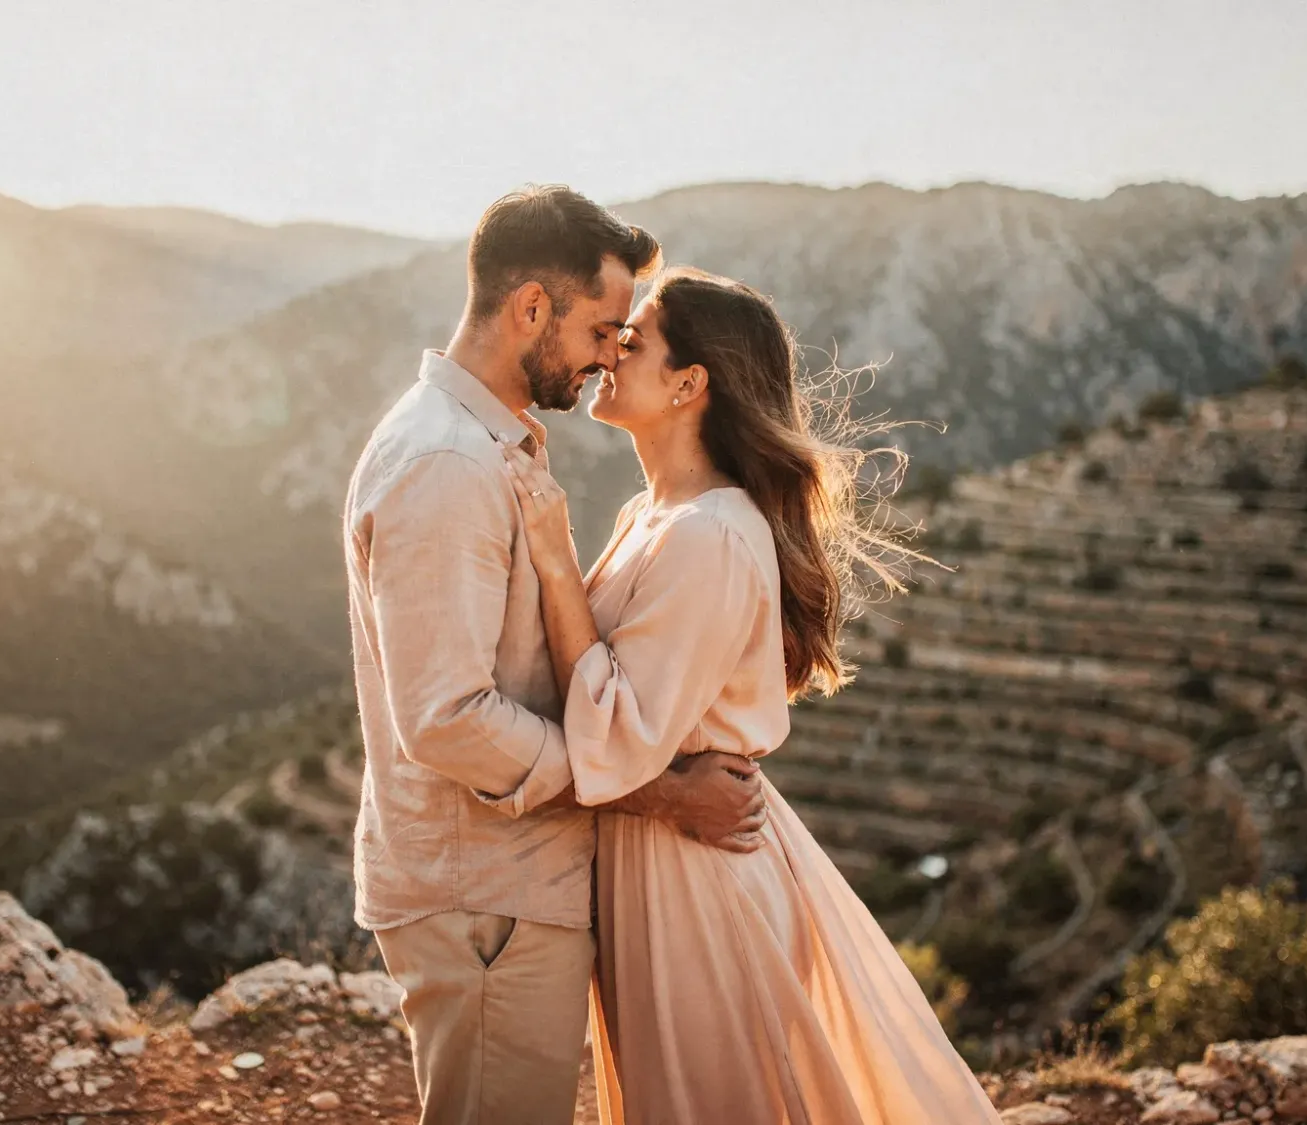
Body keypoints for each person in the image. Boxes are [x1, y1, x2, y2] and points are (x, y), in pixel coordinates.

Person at [502, 267, 1005, 1123]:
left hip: (695, 879)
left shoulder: (709, 535)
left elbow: (618, 733)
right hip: (658, 855)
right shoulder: (649, 515)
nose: (611, 351)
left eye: (637, 340)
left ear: (690, 383)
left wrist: (553, 560)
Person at [343, 187, 768, 1125]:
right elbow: (446, 719)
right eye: (604, 328)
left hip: (498, 882)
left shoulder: (482, 442)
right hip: (483, 888)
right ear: (531, 308)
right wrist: (656, 789)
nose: (612, 353)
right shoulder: (450, 464)